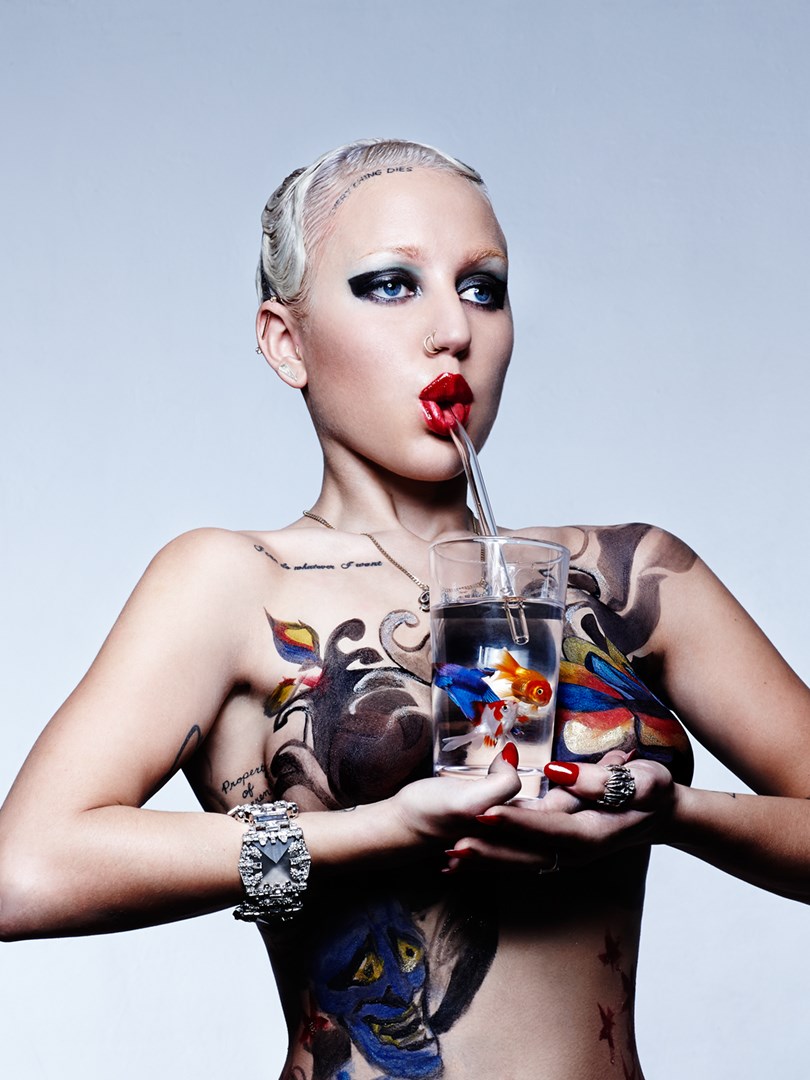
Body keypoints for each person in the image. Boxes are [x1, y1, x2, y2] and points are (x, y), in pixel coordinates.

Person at [1, 137, 808, 1080]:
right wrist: (377, 831)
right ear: (286, 341)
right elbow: (24, 875)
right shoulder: (234, 583)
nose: (452, 330)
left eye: (482, 288)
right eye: (390, 284)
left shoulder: (632, 574)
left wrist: (674, 814)